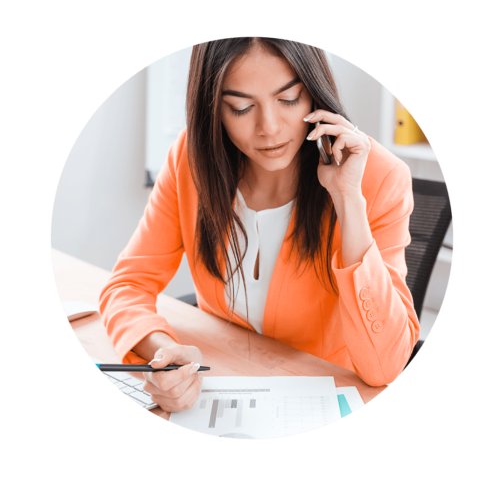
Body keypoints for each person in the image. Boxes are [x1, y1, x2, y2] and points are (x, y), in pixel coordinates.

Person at [99, 37, 420, 413]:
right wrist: (163, 353)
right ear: (213, 108)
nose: (269, 127)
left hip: (321, 405)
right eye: (241, 107)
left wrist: (348, 199)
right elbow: (127, 285)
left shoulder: (378, 178)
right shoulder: (190, 161)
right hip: (221, 389)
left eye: (288, 100)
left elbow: (385, 366)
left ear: (314, 93)